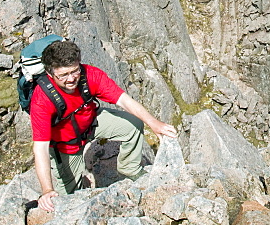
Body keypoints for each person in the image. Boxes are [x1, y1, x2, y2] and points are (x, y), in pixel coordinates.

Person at [30, 39, 177, 212]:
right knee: (68, 197)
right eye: (63, 75)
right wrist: (47, 190)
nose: (71, 79)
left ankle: (130, 168)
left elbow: (124, 100)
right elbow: (40, 148)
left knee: (133, 124)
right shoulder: (42, 100)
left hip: (91, 122)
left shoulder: (90, 75)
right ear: (50, 73)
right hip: (66, 145)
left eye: (75, 71)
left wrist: (154, 123)